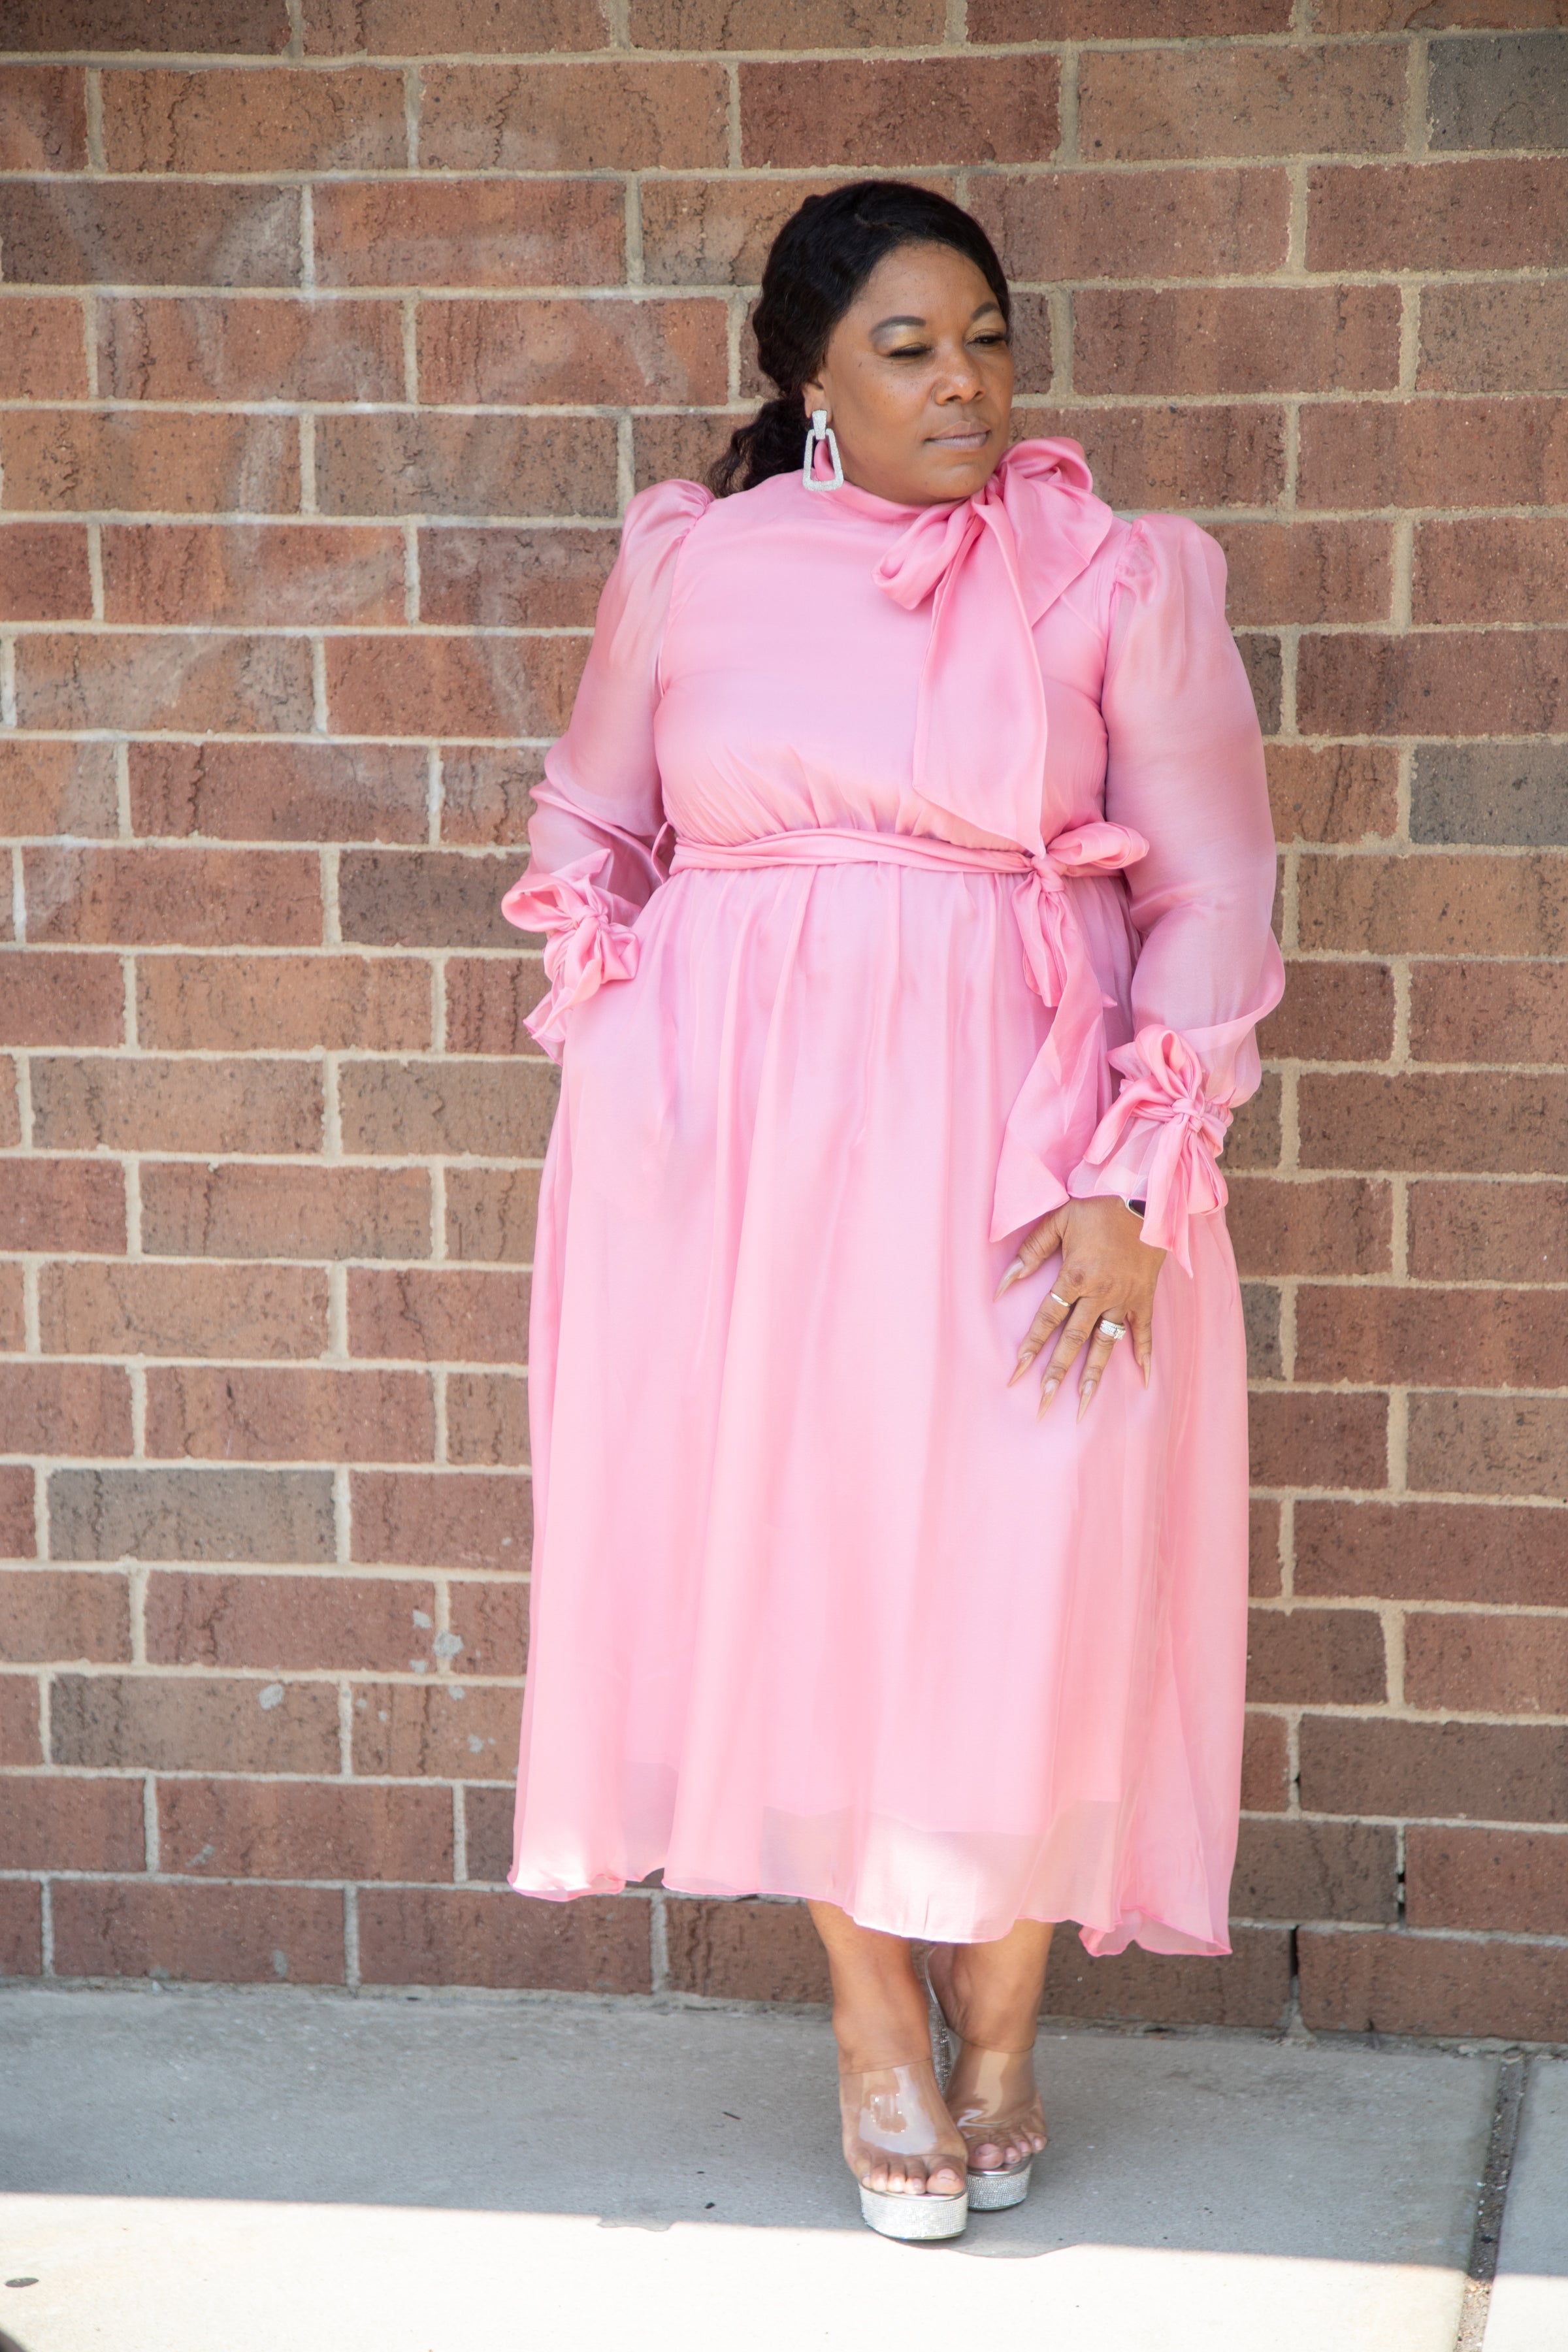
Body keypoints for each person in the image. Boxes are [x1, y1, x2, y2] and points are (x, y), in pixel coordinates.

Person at [500, 181, 1283, 2242]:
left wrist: (1138, 1169)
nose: (965, 380)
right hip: (748, 1172)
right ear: (811, 385)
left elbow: (1210, 891)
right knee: (819, 1569)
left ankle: (1008, 2017)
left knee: (1035, 1573)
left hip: (1039, 1161)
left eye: (989, 338)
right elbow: (595, 810)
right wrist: (626, 1036)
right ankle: (872, 2024)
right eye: (911, 347)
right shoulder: (699, 562)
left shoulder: (1118, 575)